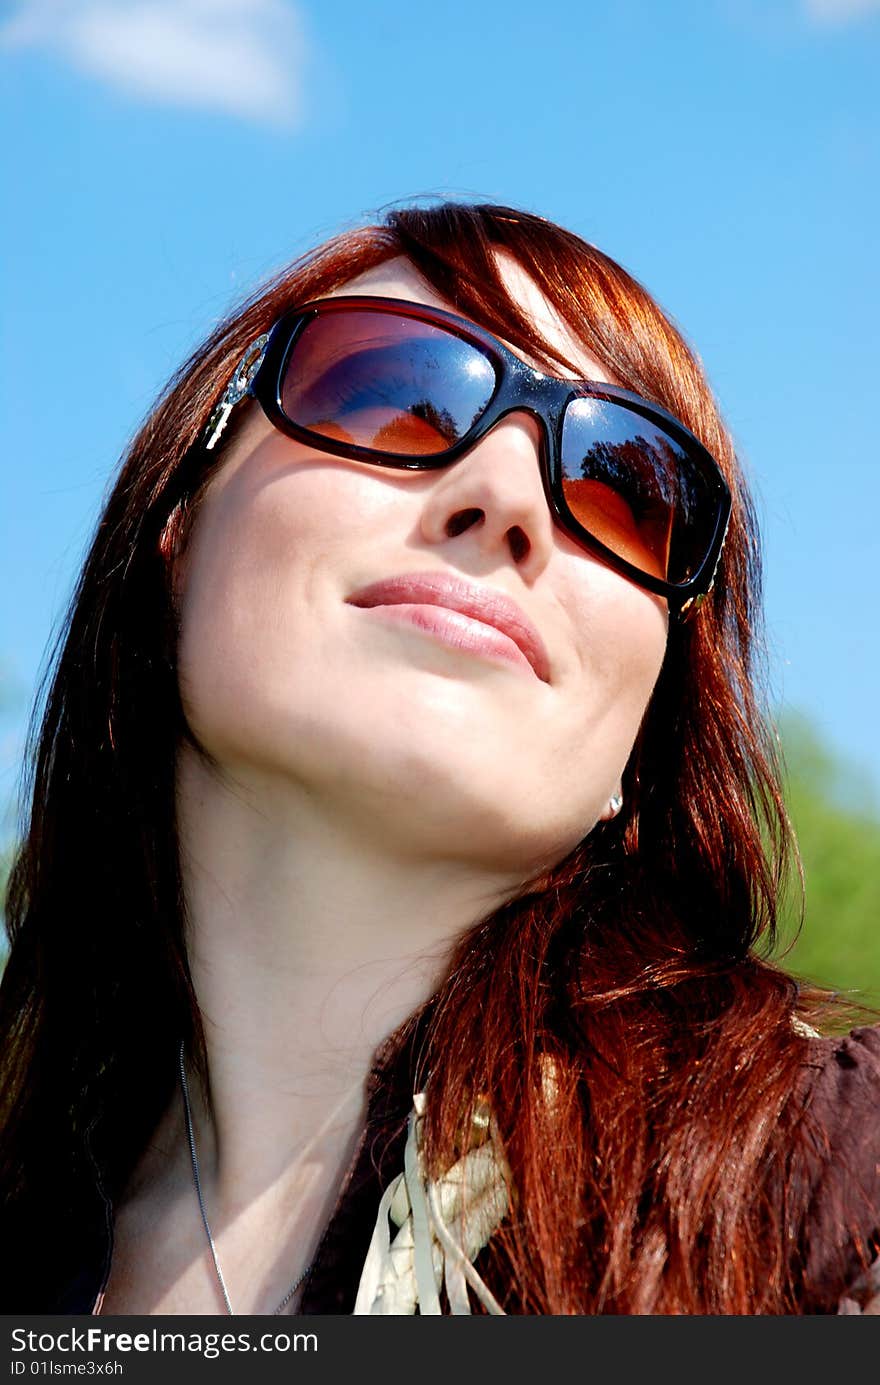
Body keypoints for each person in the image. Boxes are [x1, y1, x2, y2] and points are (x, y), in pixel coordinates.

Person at [1, 202, 877, 1317]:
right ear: (180, 527)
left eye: (625, 483)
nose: (508, 497)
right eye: (393, 393)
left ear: (650, 728)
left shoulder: (838, 1193)